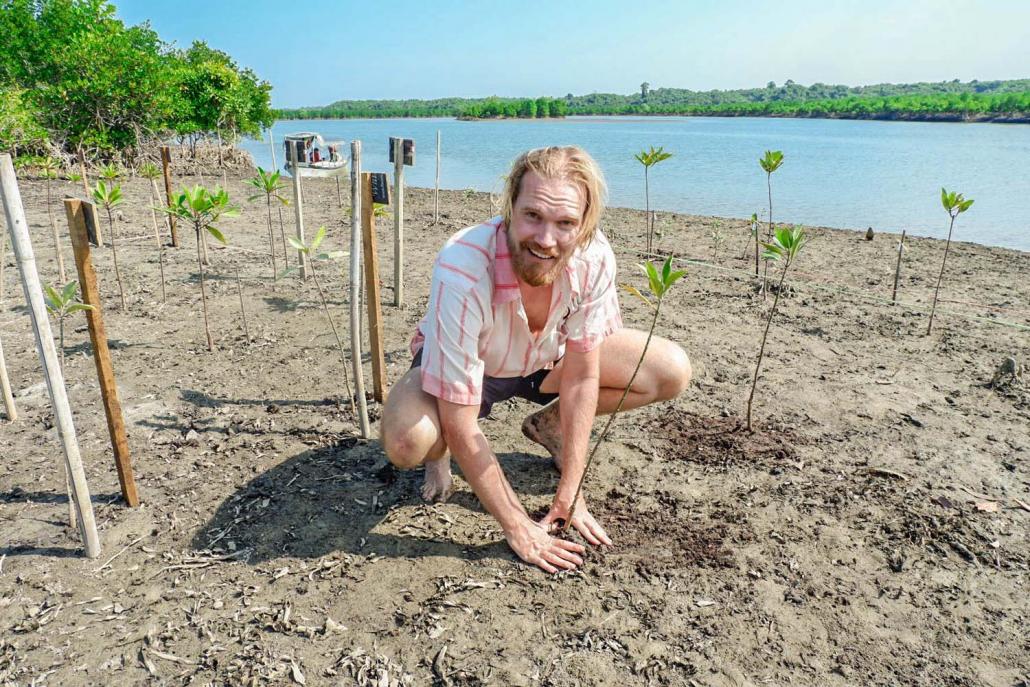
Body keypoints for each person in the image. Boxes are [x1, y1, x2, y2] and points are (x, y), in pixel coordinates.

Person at [380, 146, 691, 574]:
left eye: (565, 224)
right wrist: (518, 526)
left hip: (546, 360)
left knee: (669, 369)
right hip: (474, 368)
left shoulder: (593, 257)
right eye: (533, 217)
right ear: (509, 207)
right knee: (406, 442)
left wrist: (571, 487)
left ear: (584, 224)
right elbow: (461, 417)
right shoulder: (464, 267)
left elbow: (583, 375)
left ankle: (549, 425)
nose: (546, 240)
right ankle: (439, 456)